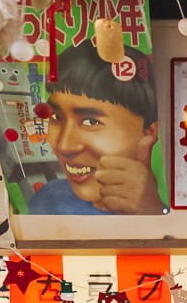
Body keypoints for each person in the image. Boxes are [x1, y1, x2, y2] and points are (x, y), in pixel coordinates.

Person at [25, 42, 166, 215]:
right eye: (56, 117)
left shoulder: (172, 202)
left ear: (148, 132)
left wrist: (151, 210)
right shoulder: (47, 199)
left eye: (91, 122)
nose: (64, 146)